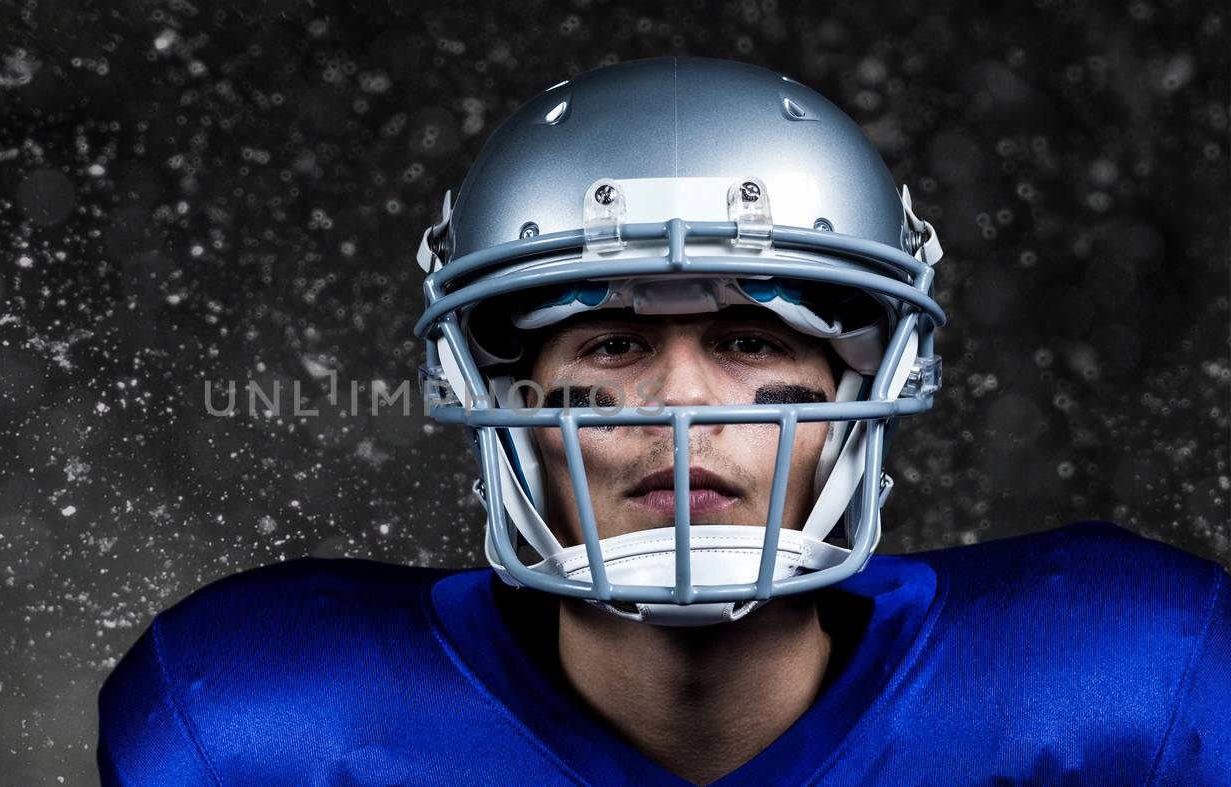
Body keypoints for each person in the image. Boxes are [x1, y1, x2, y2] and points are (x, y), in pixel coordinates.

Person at [97, 57, 1229, 785]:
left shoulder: (1119, 685)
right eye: (611, 344)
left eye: (749, 340)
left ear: (856, 388)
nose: (680, 404)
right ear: (516, 404)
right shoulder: (264, 725)